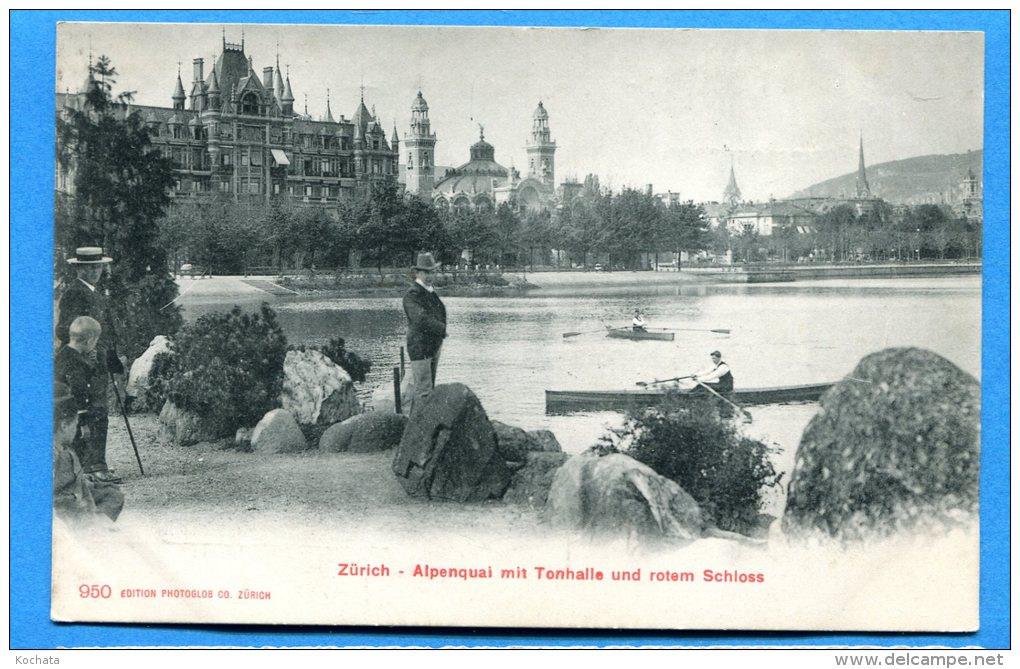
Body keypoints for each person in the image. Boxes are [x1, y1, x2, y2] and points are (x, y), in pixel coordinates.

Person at [55, 247, 123, 483]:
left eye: (98, 267)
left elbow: (106, 329)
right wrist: (87, 346)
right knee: (88, 412)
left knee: (99, 411)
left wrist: (111, 356)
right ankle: (91, 467)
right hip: (82, 362)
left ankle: (95, 463)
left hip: (99, 361)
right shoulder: (74, 293)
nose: (95, 271)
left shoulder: (96, 293)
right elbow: (64, 329)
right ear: (79, 268)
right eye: (89, 267)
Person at [53, 381, 124, 523]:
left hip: (75, 499)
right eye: (76, 423)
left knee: (112, 494)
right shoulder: (56, 455)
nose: (77, 429)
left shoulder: (65, 449)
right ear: (65, 425)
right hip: (64, 519)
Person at [402, 252, 447, 416]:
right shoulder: (413, 294)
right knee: (423, 390)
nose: (430, 276)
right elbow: (420, 319)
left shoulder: (429, 292)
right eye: (426, 272)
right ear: (417, 273)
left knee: (427, 387)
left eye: (432, 272)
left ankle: (419, 422)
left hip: (433, 346)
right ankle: (420, 428)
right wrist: (441, 329)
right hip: (420, 347)